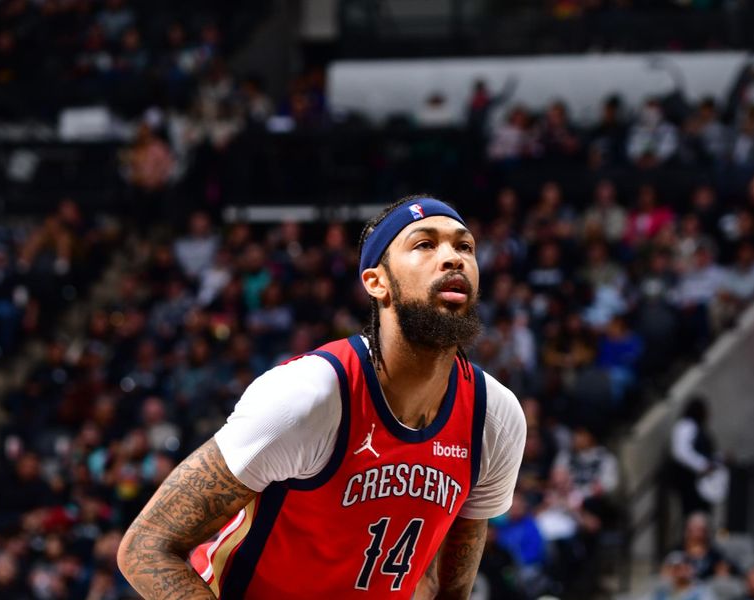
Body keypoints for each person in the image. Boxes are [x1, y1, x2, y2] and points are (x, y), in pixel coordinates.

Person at [118, 196, 527, 598]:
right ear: (376, 282)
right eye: (424, 244)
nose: (453, 257)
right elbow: (146, 547)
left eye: (464, 246)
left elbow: (450, 589)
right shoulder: (310, 394)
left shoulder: (495, 417)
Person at [669, 397, 722, 516]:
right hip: (689, 480)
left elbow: (706, 454)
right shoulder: (685, 426)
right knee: (693, 515)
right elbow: (681, 452)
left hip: (703, 482)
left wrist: (720, 459)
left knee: (703, 515)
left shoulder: (700, 428)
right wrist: (702, 466)